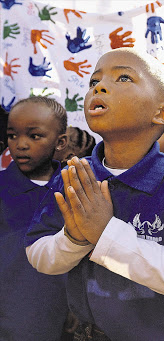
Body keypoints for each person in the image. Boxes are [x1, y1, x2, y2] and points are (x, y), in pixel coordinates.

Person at [24, 47, 164, 340]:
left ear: (162, 113)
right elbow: (37, 254)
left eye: (124, 78)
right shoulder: (75, 175)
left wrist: (106, 234)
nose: (100, 87)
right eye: (94, 82)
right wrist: (75, 239)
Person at [0, 96, 69, 340]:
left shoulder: (75, 190)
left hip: (62, 317)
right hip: (11, 318)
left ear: (60, 142)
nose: (20, 144)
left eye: (34, 136)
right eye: (12, 135)